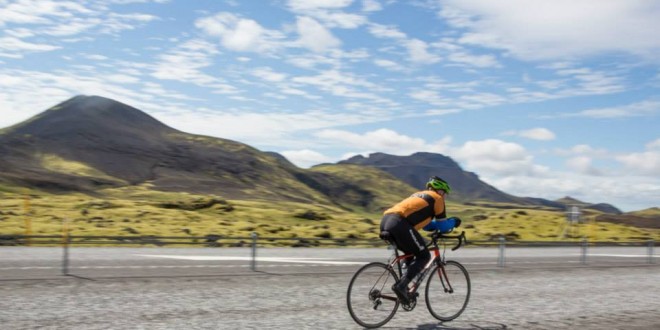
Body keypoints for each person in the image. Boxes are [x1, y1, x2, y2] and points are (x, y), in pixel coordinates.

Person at [379, 176, 461, 304]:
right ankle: (401, 286)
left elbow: (427, 225)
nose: (445, 197)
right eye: (445, 194)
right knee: (424, 256)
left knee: (410, 253)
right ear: (440, 191)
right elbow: (443, 226)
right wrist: (454, 221)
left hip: (386, 221)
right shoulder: (437, 198)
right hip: (400, 224)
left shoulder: (419, 196)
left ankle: (404, 288)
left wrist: (437, 226)